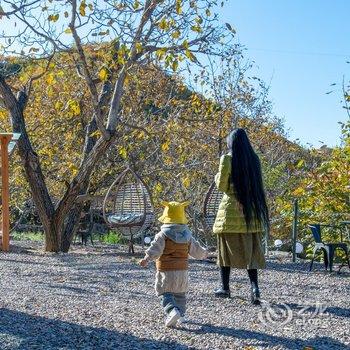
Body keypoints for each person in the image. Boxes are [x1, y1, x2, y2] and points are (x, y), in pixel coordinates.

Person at [213, 128, 269, 305]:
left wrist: (216, 176)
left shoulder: (227, 159)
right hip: (251, 212)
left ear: (231, 143)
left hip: (230, 211)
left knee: (224, 253)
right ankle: (255, 288)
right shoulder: (254, 160)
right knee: (251, 253)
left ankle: (225, 288)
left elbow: (221, 186)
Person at [139, 201, 208, 327]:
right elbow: (196, 250)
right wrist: (204, 254)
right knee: (180, 295)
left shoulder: (162, 235)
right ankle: (181, 315)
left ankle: (172, 311)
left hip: (166, 271)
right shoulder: (187, 236)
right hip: (183, 272)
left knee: (163, 292)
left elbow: (155, 249)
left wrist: (146, 258)